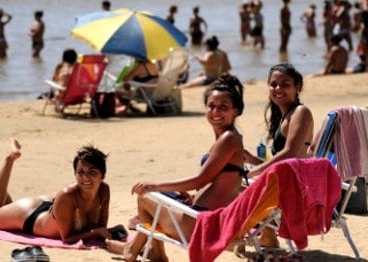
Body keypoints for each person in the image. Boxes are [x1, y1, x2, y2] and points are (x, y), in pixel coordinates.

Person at [106, 74, 246, 262]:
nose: (215, 112)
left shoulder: (228, 139)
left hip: (198, 225)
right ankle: (145, 250)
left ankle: (138, 250)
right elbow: (216, 181)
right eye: (211, 106)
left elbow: (200, 180)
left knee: (145, 196)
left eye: (223, 107)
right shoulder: (229, 137)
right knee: (160, 197)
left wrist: (155, 186)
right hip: (205, 217)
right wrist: (188, 194)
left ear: (235, 111)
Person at [0, 139, 125, 244]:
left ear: (103, 176)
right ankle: (9, 160)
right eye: (80, 172)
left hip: (49, 209)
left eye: (92, 172)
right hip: (29, 217)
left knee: (4, 206)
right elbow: (66, 238)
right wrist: (95, 232)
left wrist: (109, 231)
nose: (85, 178)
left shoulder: (104, 190)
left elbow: (101, 227)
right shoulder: (68, 194)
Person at [243, 63, 314, 248]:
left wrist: (255, 170)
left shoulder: (301, 112)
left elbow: (290, 153)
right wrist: (252, 159)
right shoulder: (285, 116)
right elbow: (283, 161)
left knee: (233, 183)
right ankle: (266, 235)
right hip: (285, 178)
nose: (278, 89)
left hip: (296, 185)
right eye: (273, 84)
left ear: (297, 87)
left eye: (285, 84)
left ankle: (257, 234)